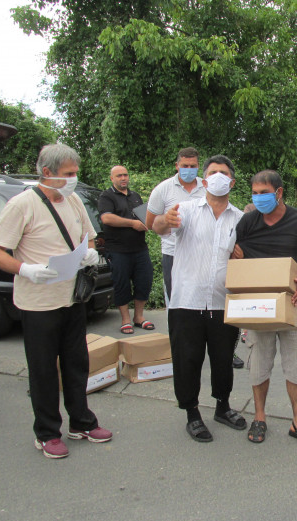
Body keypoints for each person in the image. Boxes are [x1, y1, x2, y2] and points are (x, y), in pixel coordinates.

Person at [0, 144, 112, 459]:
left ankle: (81, 421)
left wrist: (90, 251)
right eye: (68, 174)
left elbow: (88, 236)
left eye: (75, 172)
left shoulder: (73, 200)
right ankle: (46, 433)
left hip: (72, 298)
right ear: (47, 172)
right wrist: (25, 269)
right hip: (37, 302)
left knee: (77, 363)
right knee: (43, 370)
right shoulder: (21, 205)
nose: (74, 178)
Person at [152, 155, 246, 442]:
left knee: (223, 359)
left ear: (231, 181)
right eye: (213, 172)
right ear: (204, 180)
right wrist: (162, 220)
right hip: (186, 300)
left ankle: (222, 406)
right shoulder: (186, 209)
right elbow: (159, 226)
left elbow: (246, 258)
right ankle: (192, 413)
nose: (218, 177)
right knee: (187, 359)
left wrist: (242, 255)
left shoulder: (240, 218)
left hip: (222, 301)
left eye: (224, 173)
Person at [234, 170, 297, 447]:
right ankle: (259, 417)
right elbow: (231, 251)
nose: (259, 197)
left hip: (292, 301)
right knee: (259, 365)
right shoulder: (248, 221)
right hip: (256, 304)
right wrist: (233, 253)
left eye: (265, 192)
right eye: (255, 193)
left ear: (279, 192)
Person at [98, 165, 154, 334]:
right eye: (119, 175)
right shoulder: (106, 196)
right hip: (118, 250)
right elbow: (106, 218)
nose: (123, 178)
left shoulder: (135, 196)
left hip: (140, 249)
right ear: (112, 178)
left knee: (144, 281)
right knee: (121, 284)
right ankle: (125, 320)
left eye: (125, 175)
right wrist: (132, 223)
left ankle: (139, 317)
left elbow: (144, 216)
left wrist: (148, 224)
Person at [145, 147, 205, 304]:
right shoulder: (162, 189)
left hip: (202, 253)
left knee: (201, 299)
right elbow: (150, 223)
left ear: (199, 166)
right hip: (173, 253)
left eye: (193, 166)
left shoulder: (207, 188)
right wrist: (167, 219)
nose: (189, 170)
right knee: (175, 299)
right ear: (177, 165)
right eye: (185, 166)